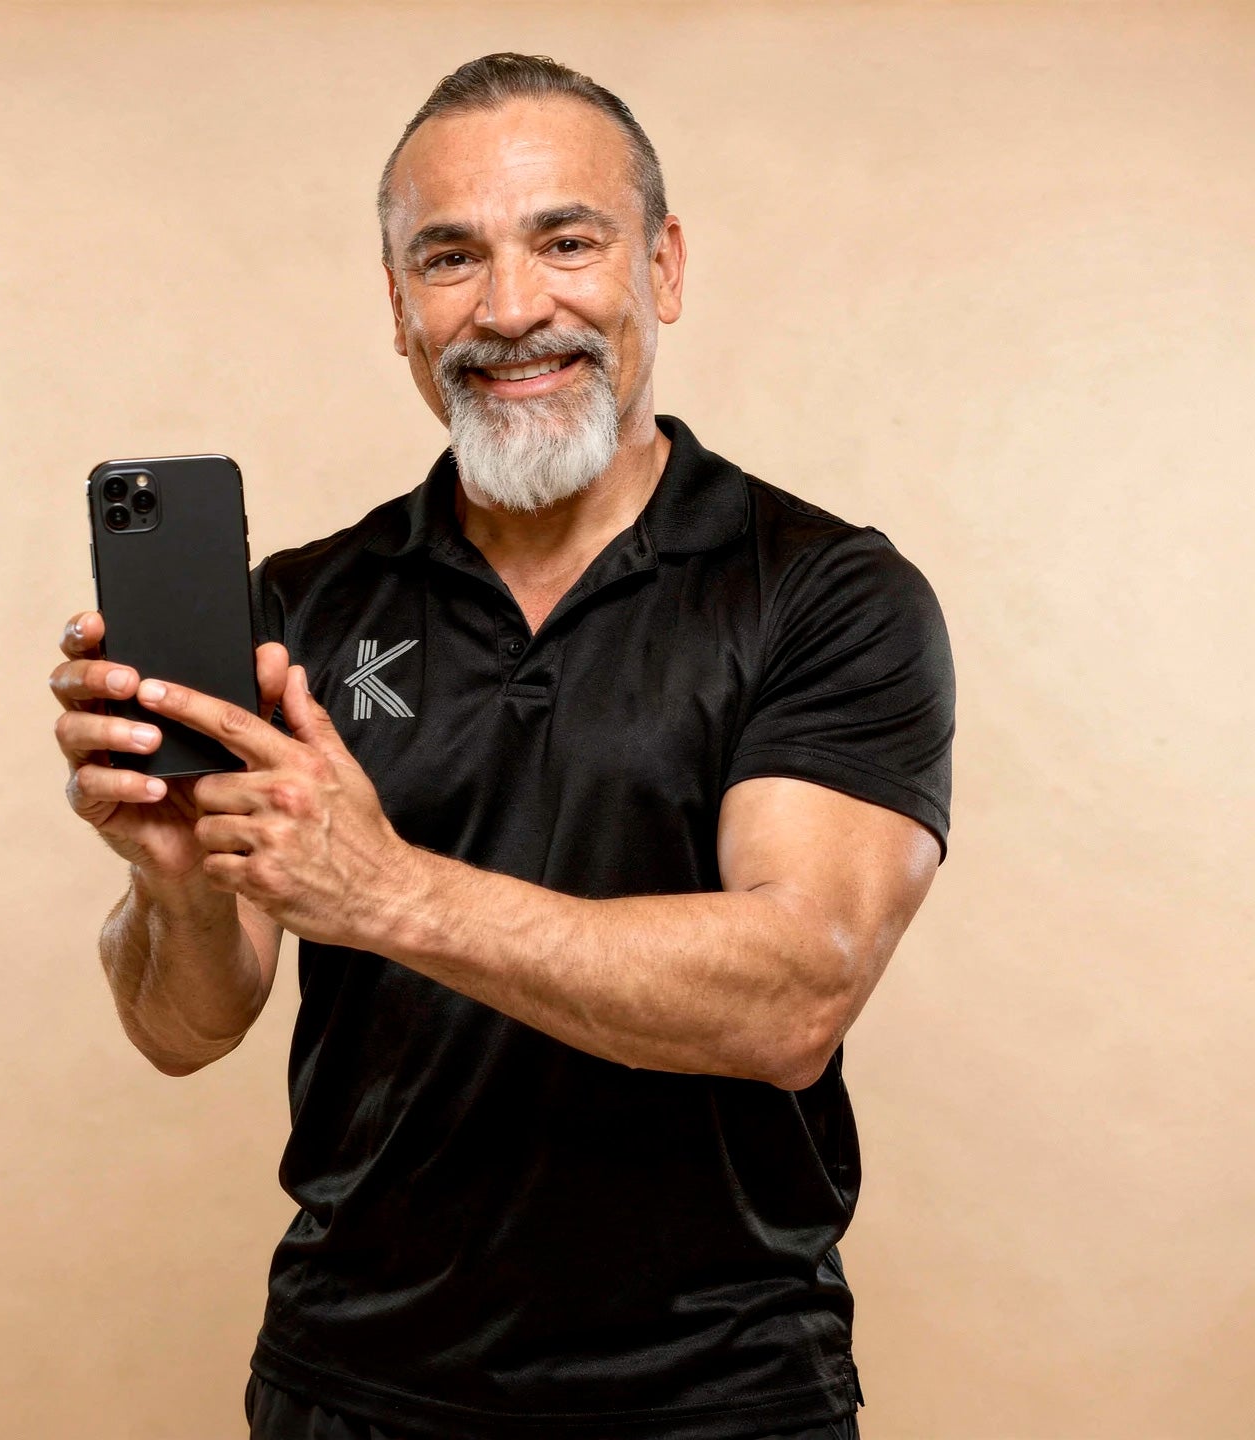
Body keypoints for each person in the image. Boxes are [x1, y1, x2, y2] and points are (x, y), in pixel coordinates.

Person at [51, 53, 954, 1440]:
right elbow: (186, 1029)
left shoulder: (824, 594)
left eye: (566, 242)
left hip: (719, 1397)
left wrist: (385, 892)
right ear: (398, 310)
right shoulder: (302, 606)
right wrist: (174, 883)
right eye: (451, 257)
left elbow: (793, 996)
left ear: (662, 265)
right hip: (349, 1386)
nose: (512, 308)